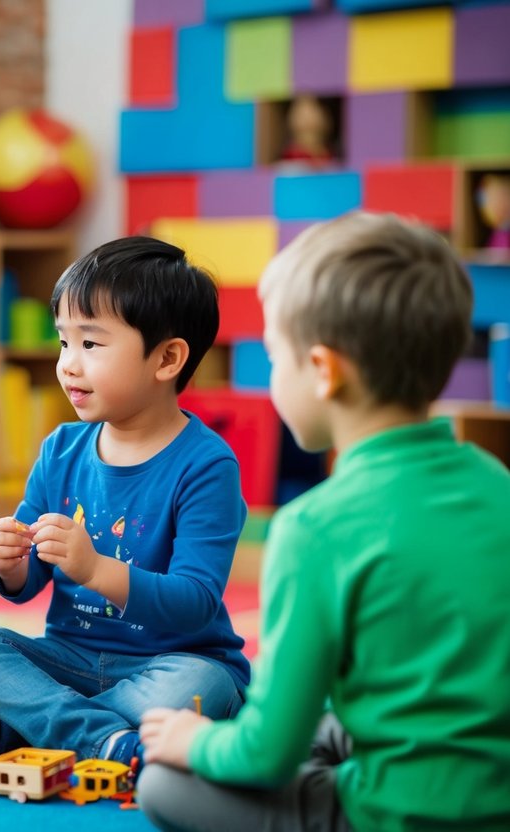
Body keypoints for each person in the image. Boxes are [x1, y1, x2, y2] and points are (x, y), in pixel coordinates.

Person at [138, 212, 510, 832]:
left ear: (322, 369)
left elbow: (265, 756)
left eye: (276, 357)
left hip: (396, 814)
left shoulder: (315, 527)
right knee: (323, 722)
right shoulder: (497, 483)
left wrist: (191, 742)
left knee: (163, 784)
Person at [0, 237, 249, 765]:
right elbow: (26, 586)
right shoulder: (61, 449)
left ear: (167, 358)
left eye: (91, 345)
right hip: (70, 657)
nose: (68, 365)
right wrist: (9, 562)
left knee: (203, 685)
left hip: (171, 661)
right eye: (63, 342)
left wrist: (95, 569)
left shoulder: (206, 465)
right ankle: (103, 738)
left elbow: (195, 603)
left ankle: (34, 729)